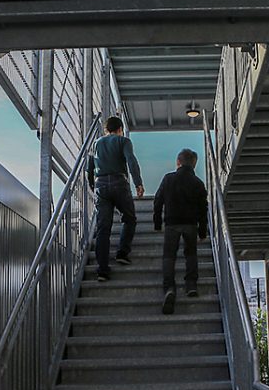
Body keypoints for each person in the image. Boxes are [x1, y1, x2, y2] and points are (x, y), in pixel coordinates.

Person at [87, 116, 145, 281]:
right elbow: (131, 161)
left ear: (106, 130)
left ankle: (102, 270)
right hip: (119, 183)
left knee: (103, 229)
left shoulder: (96, 143)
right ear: (120, 129)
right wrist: (138, 183)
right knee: (129, 218)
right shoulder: (123, 141)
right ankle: (122, 252)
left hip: (101, 185)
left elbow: (88, 169)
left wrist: (93, 187)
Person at [153, 148, 208, 314]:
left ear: (178, 162)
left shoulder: (168, 179)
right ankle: (191, 285)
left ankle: (169, 288)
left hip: (172, 223)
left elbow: (158, 200)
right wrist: (202, 231)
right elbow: (203, 210)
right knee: (191, 254)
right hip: (191, 224)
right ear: (194, 164)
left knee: (169, 256)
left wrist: (157, 223)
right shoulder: (198, 183)